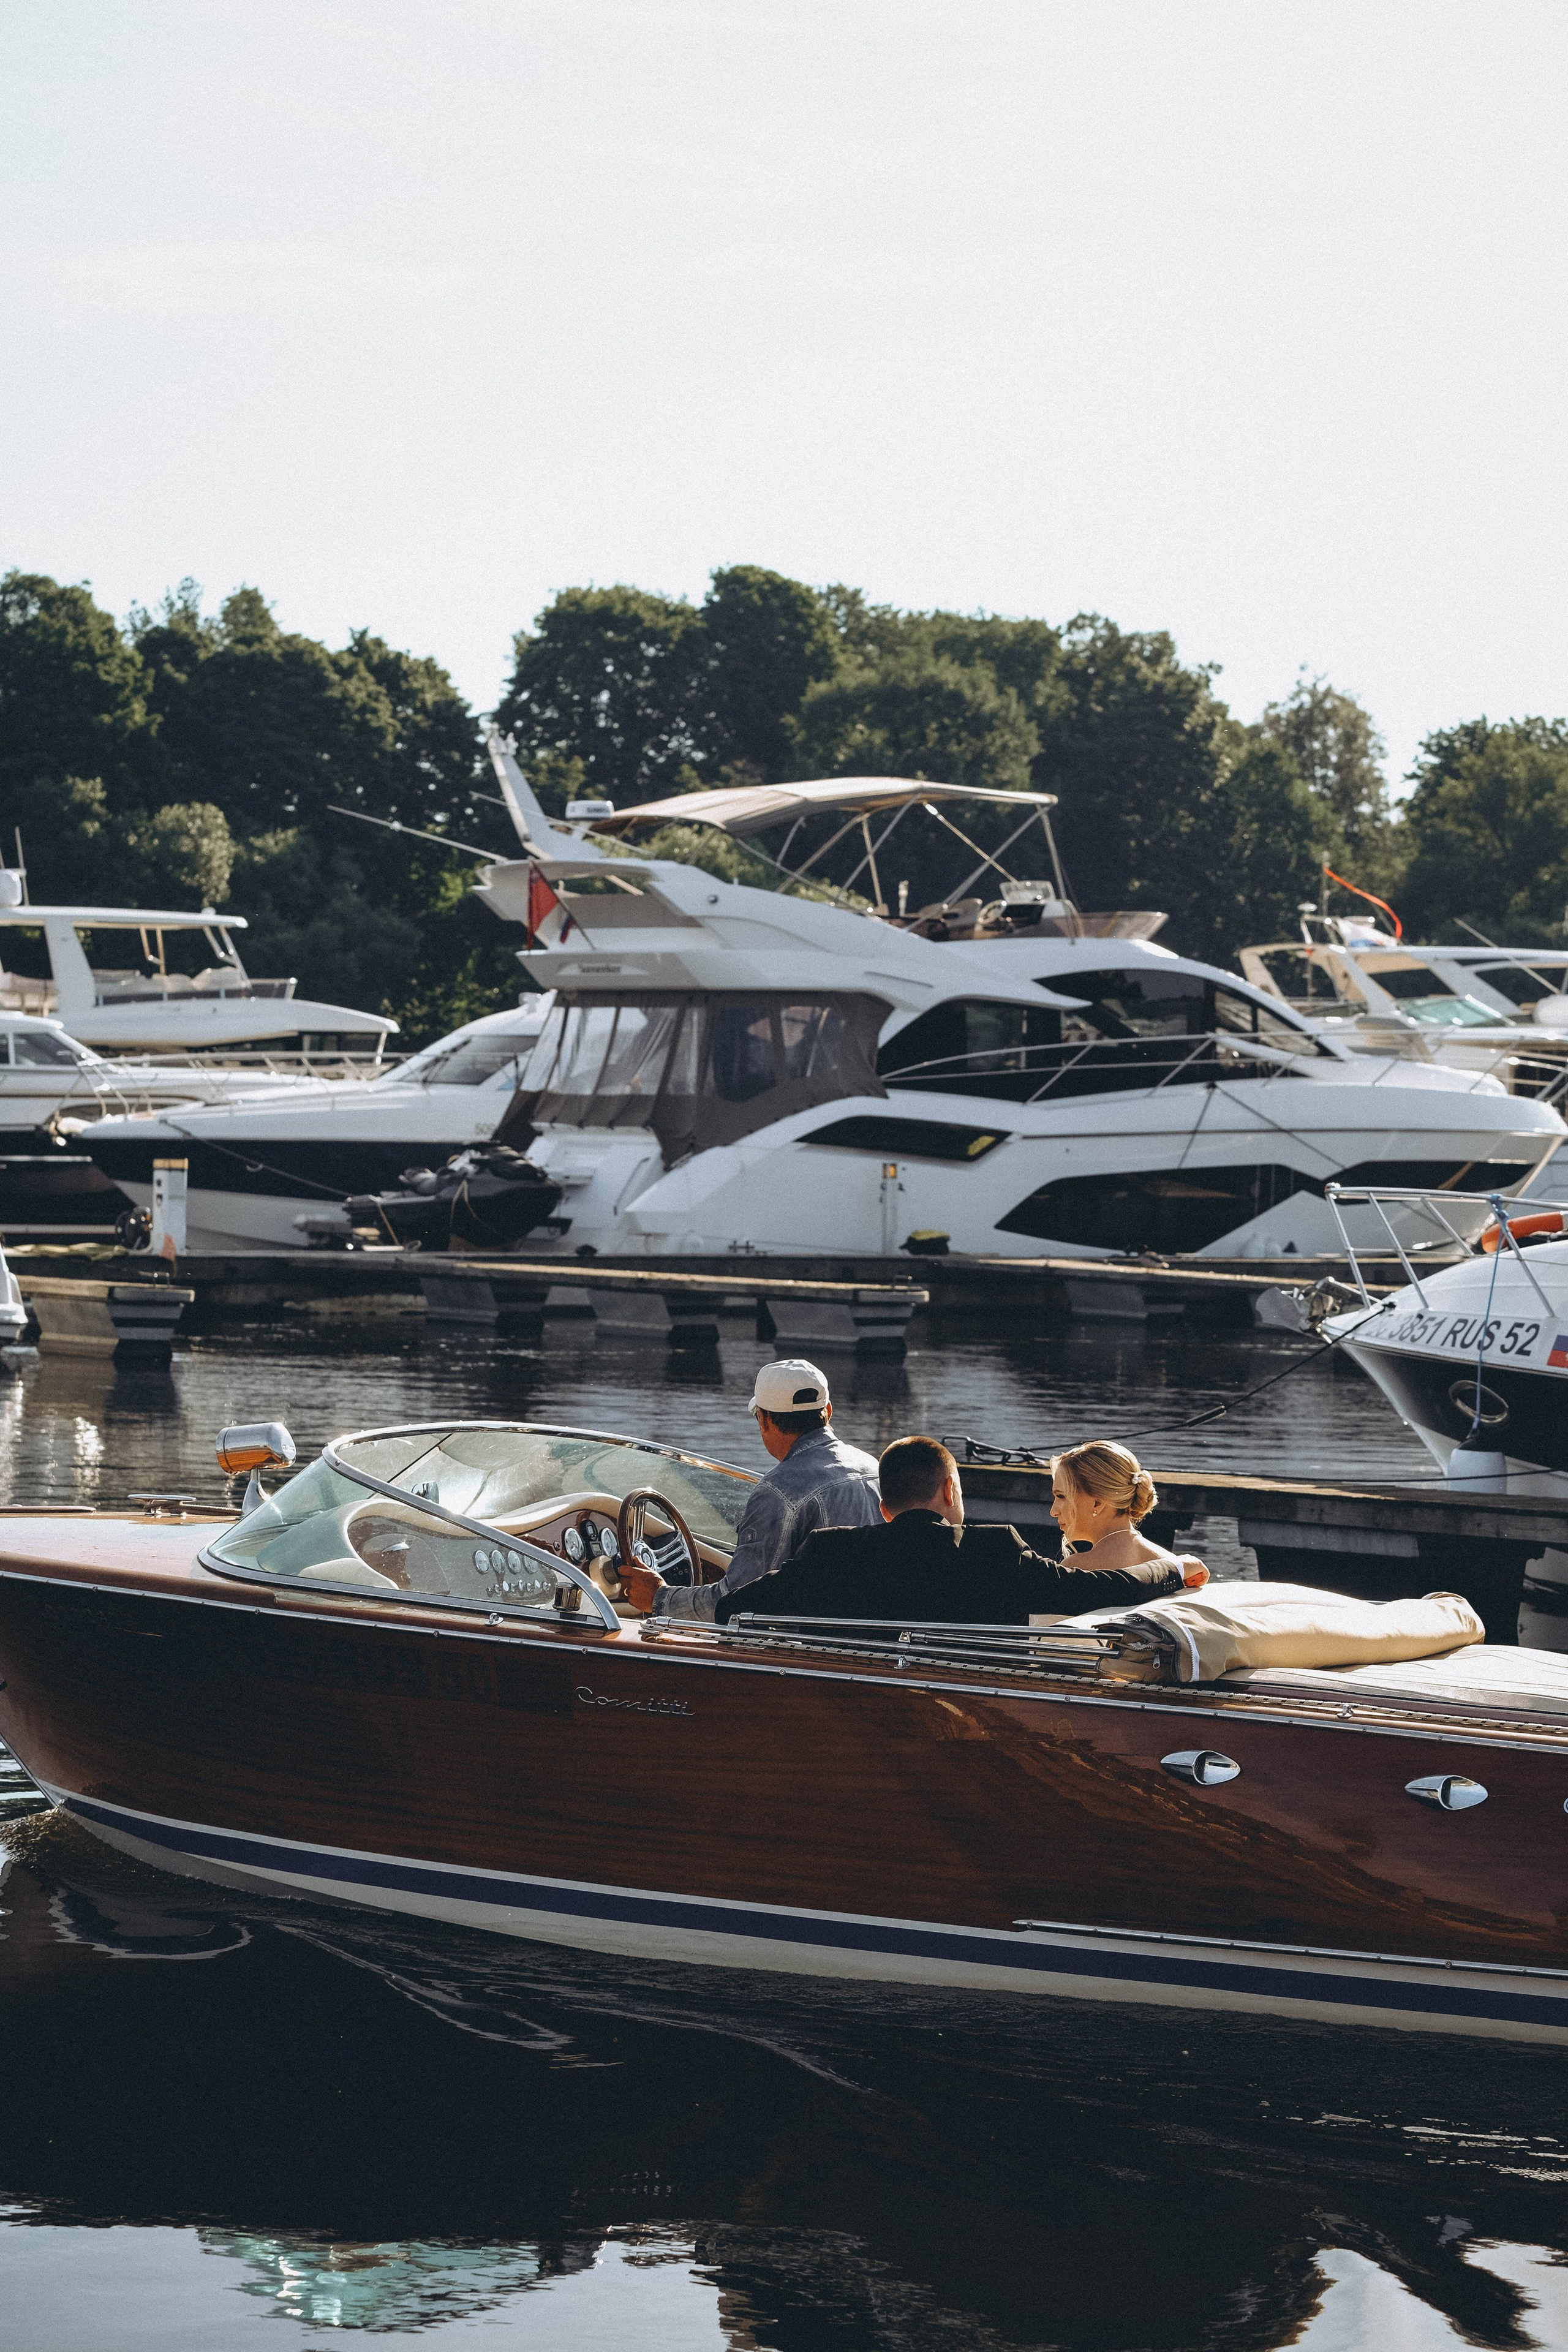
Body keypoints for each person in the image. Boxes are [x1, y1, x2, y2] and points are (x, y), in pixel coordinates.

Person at [696, 1434, 1207, 1628]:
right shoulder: (997, 1552)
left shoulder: (830, 1553)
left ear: (883, 1507)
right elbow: (1102, 1589)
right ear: (949, 1491)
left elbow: (732, 1608)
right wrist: (1175, 1567)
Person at [624, 1358, 881, 1622]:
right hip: (868, 1633)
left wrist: (659, 1598)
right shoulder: (873, 1467)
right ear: (828, 1410)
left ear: (764, 1420)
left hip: (809, 1643)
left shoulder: (778, 1490)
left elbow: (736, 1604)